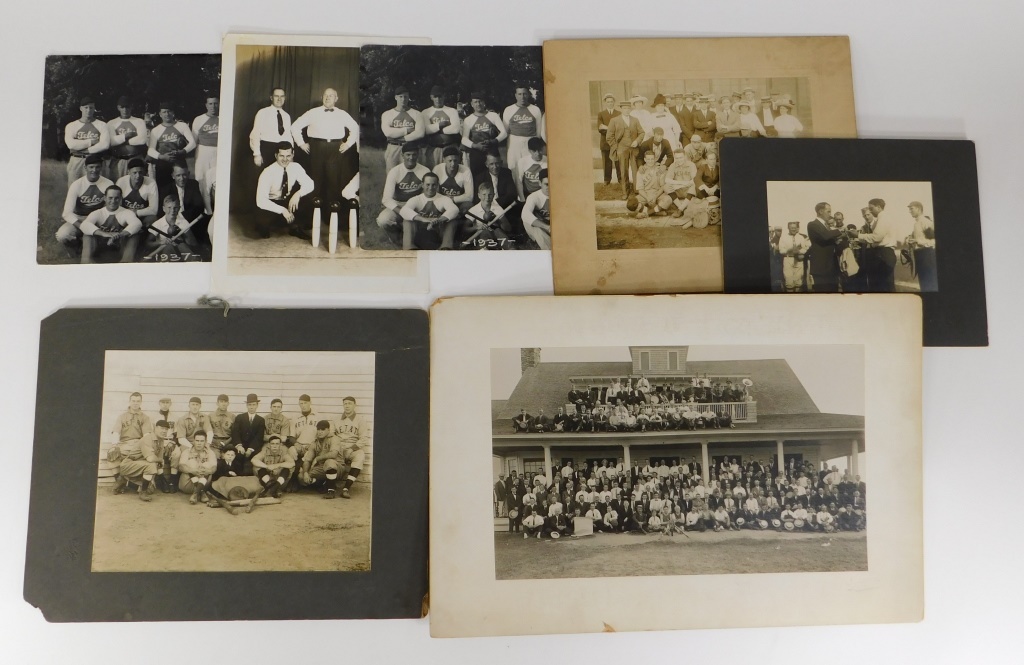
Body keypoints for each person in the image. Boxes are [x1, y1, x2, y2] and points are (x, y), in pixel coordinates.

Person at [291, 87, 360, 224]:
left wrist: (347, 144)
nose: (328, 98)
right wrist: (301, 144)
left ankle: (331, 218)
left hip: (335, 149)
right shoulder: (313, 112)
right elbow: (295, 126)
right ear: (322, 97)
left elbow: (355, 128)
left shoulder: (342, 114)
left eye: (331, 95)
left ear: (336, 98)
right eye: (326, 95)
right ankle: (309, 219)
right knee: (314, 182)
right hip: (316, 148)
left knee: (333, 183)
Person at [254, 142, 314, 240]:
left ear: (292, 155)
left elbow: (310, 184)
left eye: (288, 156)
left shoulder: (296, 167)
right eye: (281, 156)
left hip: (287, 200)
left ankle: (294, 227)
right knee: (262, 221)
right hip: (272, 202)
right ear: (276, 155)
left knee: (307, 199)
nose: (285, 159)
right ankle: (264, 226)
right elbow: (261, 200)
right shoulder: (267, 172)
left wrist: (298, 195)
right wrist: (282, 210)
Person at [57, 154, 113, 254]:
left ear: (101, 167)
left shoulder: (108, 183)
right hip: (80, 218)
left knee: (104, 244)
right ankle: (77, 245)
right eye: (91, 167)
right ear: (85, 168)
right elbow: (66, 213)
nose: (94, 170)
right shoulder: (77, 184)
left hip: (97, 219)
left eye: (97, 167)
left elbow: (110, 208)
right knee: (62, 235)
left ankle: (94, 245)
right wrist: (83, 226)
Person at [376, 142, 430, 242]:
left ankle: (414, 235)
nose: (411, 158)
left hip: (416, 205)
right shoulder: (395, 171)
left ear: (418, 155)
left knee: (426, 223)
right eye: (408, 154)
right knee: (383, 220)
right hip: (399, 204)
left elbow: (428, 195)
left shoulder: (424, 171)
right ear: (402, 155)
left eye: (414, 154)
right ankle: (397, 233)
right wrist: (402, 211)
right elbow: (386, 199)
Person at [79, 185, 143, 263]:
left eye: (116, 198)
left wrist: (118, 235)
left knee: (134, 235)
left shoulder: (126, 212)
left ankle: (126, 262)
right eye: (110, 198)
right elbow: (84, 225)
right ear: (105, 198)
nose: (113, 201)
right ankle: (87, 261)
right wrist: (105, 234)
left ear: (120, 199)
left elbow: (137, 224)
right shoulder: (98, 212)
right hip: (100, 245)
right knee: (87, 234)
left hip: (119, 245)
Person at [111, 419, 170, 501]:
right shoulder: (147, 438)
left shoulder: (161, 440)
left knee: (151, 490)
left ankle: (124, 481)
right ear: (155, 428)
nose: (164, 431)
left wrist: (160, 462)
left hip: (141, 467)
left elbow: (159, 461)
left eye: (166, 429)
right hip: (129, 465)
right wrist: (160, 460)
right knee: (151, 465)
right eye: (162, 428)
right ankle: (143, 493)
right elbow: (151, 459)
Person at [400, 171, 460, 250]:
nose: (431, 188)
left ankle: (445, 247)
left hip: (438, 231)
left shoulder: (444, 199)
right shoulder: (416, 199)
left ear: (437, 185)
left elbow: (454, 209)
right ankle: (409, 247)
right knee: (407, 220)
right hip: (420, 233)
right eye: (428, 185)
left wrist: (438, 220)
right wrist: (424, 219)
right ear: (422, 185)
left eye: (433, 185)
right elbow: (404, 210)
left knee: (452, 220)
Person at [146, 101, 195, 188]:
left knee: (182, 186)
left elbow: (192, 143)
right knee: (164, 187)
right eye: (164, 112)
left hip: (179, 160)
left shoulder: (182, 125)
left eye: (169, 111)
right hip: (163, 163)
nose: (167, 114)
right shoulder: (156, 130)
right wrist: (162, 156)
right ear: (160, 114)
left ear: (173, 113)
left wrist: (182, 152)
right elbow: (150, 150)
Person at [502, 85, 545, 185]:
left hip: (529, 141)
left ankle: (528, 190)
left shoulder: (535, 109)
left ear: (528, 95)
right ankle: (517, 194)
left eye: (525, 94)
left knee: (529, 166)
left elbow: (538, 131)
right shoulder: (509, 109)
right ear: (515, 95)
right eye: (520, 94)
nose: (522, 97)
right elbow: (505, 131)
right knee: (514, 167)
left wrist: (534, 145)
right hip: (514, 142)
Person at [64, 96, 110, 186]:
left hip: (94, 160)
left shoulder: (102, 125)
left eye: (91, 108)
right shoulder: (72, 125)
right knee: (74, 186)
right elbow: (71, 144)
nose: (88, 110)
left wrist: (86, 150)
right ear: (81, 108)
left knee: (96, 187)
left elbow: (105, 144)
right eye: (86, 108)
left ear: (94, 109)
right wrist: (91, 142)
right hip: (77, 160)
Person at [328, 396, 368, 499]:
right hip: (339, 446)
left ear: (355, 405)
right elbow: (331, 435)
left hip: (352, 447)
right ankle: (330, 489)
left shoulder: (360, 420)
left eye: (350, 403)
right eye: (345, 403)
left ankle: (346, 489)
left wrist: (351, 449)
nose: (347, 406)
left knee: (360, 456)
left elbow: (363, 438)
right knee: (330, 459)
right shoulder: (336, 419)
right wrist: (337, 447)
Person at [461, 91, 507, 176]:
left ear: (484, 102)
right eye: (475, 102)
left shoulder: (493, 115)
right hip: (477, 151)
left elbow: (504, 133)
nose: (478, 104)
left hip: (492, 149)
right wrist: (475, 145)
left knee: (494, 174)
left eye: (480, 101)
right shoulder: (468, 119)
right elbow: (464, 139)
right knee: (477, 175)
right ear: (472, 104)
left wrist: (494, 141)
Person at [858, 198, 899, 292]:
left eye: (871, 209)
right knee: (881, 285)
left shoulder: (883, 218)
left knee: (885, 286)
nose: (871, 212)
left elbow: (876, 238)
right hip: (882, 253)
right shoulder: (883, 218)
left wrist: (858, 235)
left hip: (884, 253)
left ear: (879, 207)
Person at [381, 86, 425, 171]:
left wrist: (402, 138)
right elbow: (388, 132)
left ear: (408, 98)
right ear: (396, 97)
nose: (403, 99)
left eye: (405, 97)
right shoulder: (387, 114)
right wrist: (407, 130)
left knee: (412, 173)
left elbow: (420, 133)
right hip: (393, 147)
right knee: (392, 173)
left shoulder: (416, 113)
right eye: (400, 97)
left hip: (411, 148)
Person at [605, 100, 643, 198]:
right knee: (623, 170)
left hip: (634, 148)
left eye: (628, 108)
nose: (626, 110)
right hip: (621, 148)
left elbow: (641, 133)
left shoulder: (635, 120)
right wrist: (616, 147)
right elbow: (609, 136)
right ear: (621, 109)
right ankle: (625, 192)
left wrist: (637, 141)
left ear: (630, 109)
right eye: (624, 108)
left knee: (635, 169)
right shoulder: (614, 120)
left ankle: (636, 189)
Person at [806, 202, 848, 292]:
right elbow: (825, 236)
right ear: (821, 211)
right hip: (821, 268)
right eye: (828, 211)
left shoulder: (826, 226)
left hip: (831, 267)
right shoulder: (813, 224)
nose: (830, 214)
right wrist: (840, 231)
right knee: (823, 293)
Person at [105, 96, 149, 181]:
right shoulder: (112, 123)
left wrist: (121, 140)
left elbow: (142, 140)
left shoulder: (139, 121)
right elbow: (111, 142)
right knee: (117, 184)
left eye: (127, 107)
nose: (125, 110)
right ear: (118, 108)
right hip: (119, 160)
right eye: (122, 107)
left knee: (137, 183)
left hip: (135, 158)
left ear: (131, 107)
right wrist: (126, 136)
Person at [145, 194, 200, 259]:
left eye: (175, 207)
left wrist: (183, 236)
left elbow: (193, 244)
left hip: (181, 250)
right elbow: (147, 244)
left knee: (182, 245)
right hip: (165, 251)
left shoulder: (183, 222)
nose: (172, 211)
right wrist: (161, 242)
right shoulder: (157, 224)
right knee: (168, 247)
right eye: (169, 207)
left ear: (179, 208)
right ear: (164, 209)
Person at [248, 434, 296, 510]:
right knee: (258, 466)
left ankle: (275, 486)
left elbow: (292, 463)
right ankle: (271, 487)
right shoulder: (265, 451)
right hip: (266, 479)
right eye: (272, 444)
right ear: (269, 445)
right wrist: (267, 466)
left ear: (280, 445)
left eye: (277, 444)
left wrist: (277, 465)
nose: (275, 446)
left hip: (279, 480)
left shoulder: (283, 452)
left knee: (288, 468)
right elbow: (254, 460)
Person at [249, 87, 292, 169]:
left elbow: (288, 136)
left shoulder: (287, 116)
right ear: (271, 98)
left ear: (285, 98)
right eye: (276, 96)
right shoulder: (262, 112)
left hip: (281, 151)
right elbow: (255, 134)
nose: (279, 99)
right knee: (265, 177)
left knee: (279, 178)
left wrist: (291, 154)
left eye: (282, 96)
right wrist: (257, 154)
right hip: (266, 149)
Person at [421, 85, 462, 169]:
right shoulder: (426, 112)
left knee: (451, 171)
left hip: (450, 147)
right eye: (435, 97)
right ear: (431, 97)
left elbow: (455, 129)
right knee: (433, 172)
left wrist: (438, 130)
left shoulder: (451, 111)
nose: (438, 99)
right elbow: (426, 130)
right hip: (434, 148)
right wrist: (440, 125)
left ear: (444, 96)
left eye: (440, 96)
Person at [190, 96, 219, 214]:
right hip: (203, 151)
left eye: (216, 103)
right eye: (210, 104)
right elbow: (193, 140)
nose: (213, 106)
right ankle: (205, 210)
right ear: (206, 105)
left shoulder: (223, 118)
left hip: (218, 151)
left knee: (216, 181)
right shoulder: (199, 119)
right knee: (202, 180)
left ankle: (216, 209)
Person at [463, 181, 512, 249]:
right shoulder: (473, 210)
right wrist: (477, 227)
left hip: (497, 235)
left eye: (490, 194)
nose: (487, 197)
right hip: (481, 235)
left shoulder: (498, 208)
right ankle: (484, 250)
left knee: (498, 231)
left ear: (494, 195)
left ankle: (510, 249)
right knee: (484, 232)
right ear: (479, 195)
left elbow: (508, 229)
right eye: (484, 194)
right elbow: (465, 229)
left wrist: (497, 221)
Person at [299, 421, 343, 496]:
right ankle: (323, 483)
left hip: (336, 467)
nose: (320, 432)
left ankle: (331, 491)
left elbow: (333, 454)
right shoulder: (315, 442)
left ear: (328, 430)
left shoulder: (334, 438)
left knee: (329, 462)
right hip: (321, 468)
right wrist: (306, 473)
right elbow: (308, 460)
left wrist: (317, 458)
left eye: (322, 429)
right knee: (301, 478)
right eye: (318, 429)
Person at [178, 429, 219, 506]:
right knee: (191, 462)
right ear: (193, 441)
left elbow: (214, 467)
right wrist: (192, 470)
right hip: (187, 484)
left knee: (207, 465)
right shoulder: (187, 451)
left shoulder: (210, 452)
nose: (199, 443)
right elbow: (181, 466)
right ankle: (201, 492)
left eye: (201, 441)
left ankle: (196, 493)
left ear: (205, 442)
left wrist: (208, 471)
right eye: (197, 441)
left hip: (204, 483)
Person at [115, 158, 159, 227]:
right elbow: (116, 205)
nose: (138, 176)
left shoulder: (151, 183)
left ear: (144, 172)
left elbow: (154, 210)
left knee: (152, 218)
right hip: (125, 215)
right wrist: (128, 214)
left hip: (142, 216)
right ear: (128, 172)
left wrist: (136, 212)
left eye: (140, 172)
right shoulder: (121, 181)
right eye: (134, 173)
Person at [433, 146, 474, 218]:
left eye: (455, 160)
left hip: (458, 203)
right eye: (450, 161)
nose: (453, 164)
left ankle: (462, 225)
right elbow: (434, 192)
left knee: (468, 205)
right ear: (444, 160)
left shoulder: (465, 170)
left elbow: (470, 196)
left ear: (459, 160)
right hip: (443, 202)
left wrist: (452, 199)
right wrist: (445, 201)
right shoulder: (437, 169)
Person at [231, 393, 266, 472]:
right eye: (249, 404)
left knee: (253, 462)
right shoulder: (240, 417)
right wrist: (239, 446)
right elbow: (235, 433)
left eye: (254, 405)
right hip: (241, 446)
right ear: (247, 405)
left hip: (253, 448)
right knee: (238, 458)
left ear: (257, 405)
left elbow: (259, 437)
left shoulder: (260, 420)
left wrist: (250, 449)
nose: (251, 407)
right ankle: (238, 477)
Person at [908, 201, 937, 291]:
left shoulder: (925, 221)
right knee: (923, 284)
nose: (910, 211)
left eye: (911, 209)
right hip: (920, 255)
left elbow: (934, 240)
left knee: (929, 283)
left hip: (927, 255)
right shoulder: (916, 223)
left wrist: (918, 241)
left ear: (919, 209)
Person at [628, 151, 665, 219]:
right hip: (645, 194)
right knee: (631, 204)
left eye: (652, 159)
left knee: (668, 200)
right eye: (648, 159)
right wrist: (647, 198)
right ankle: (656, 212)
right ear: (645, 159)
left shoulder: (659, 169)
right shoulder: (641, 170)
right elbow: (640, 189)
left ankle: (647, 213)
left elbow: (663, 187)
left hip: (657, 193)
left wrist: (655, 197)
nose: (650, 161)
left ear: (655, 159)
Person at [521, 168, 550, 249]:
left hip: (551, 225)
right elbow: (525, 215)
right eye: (546, 184)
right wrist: (547, 227)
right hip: (539, 227)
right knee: (537, 230)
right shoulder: (534, 197)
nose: (550, 187)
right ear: (540, 183)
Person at [777, 220, 809, 292]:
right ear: (788, 228)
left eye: (795, 227)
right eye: (791, 228)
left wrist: (799, 251)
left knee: (798, 281)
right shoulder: (783, 237)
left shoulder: (801, 237)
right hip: (788, 259)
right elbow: (781, 250)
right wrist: (788, 250)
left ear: (797, 228)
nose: (793, 229)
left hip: (798, 259)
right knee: (789, 281)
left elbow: (805, 248)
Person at [596, 93, 620, 186]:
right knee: (606, 162)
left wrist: (608, 128)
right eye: (608, 102)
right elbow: (600, 128)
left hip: (616, 142)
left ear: (614, 102)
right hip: (605, 142)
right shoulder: (601, 114)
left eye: (611, 101)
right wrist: (612, 130)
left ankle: (620, 179)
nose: (610, 103)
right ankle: (607, 180)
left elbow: (620, 128)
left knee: (618, 161)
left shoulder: (618, 113)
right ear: (605, 103)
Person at [515, 137, 547, 201]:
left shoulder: (548, 160)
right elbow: (519, 182)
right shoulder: (522, 161)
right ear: (529, 151)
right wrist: (522, 199)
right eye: (534, 151)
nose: (537, 153)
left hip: (542, 194)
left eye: (539, 150)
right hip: (528, 193)